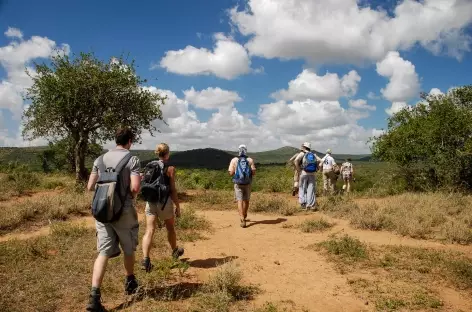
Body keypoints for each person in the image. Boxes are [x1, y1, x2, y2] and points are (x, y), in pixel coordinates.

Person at [86, 128, 141, 312]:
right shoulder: (132, 159)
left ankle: (94, 297)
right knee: (128, 247)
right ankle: (130, 281)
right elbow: (134, 189)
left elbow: (90, 186)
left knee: (103, 252)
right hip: (123, 210)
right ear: (130, 141)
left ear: (115, 139)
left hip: (102, 211)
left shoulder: (99, 159)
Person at [141, 143, 184, 272]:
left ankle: (145, 259)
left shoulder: (150, 165)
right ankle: (175, 251)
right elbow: (173, 190)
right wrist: (178, 206)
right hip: (164, 202)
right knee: (170, 228)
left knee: (149, 230)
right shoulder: (170, 168)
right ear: (167, 153)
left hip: (150, 201)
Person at [228, 144, 256, 228]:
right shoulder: (250, 160)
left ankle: (242, 218)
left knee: (239, 201)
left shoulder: (234, 160)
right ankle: (244, 214)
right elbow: (254, 173)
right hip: (247, 183)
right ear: (246, 150)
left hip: (238, 184)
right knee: (246, 200)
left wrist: (236, 173)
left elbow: (230, 173)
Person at [294, 142, 322, 210]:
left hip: (304, 173)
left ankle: (303, 204)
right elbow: (321, 161)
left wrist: (299, 170)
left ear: (304, 147)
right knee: (311, 189)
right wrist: (318, 168)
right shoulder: (313, 154)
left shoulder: (302, 153)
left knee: (302, 188)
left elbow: (296, 160)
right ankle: (310, 205)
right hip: (312, 174)